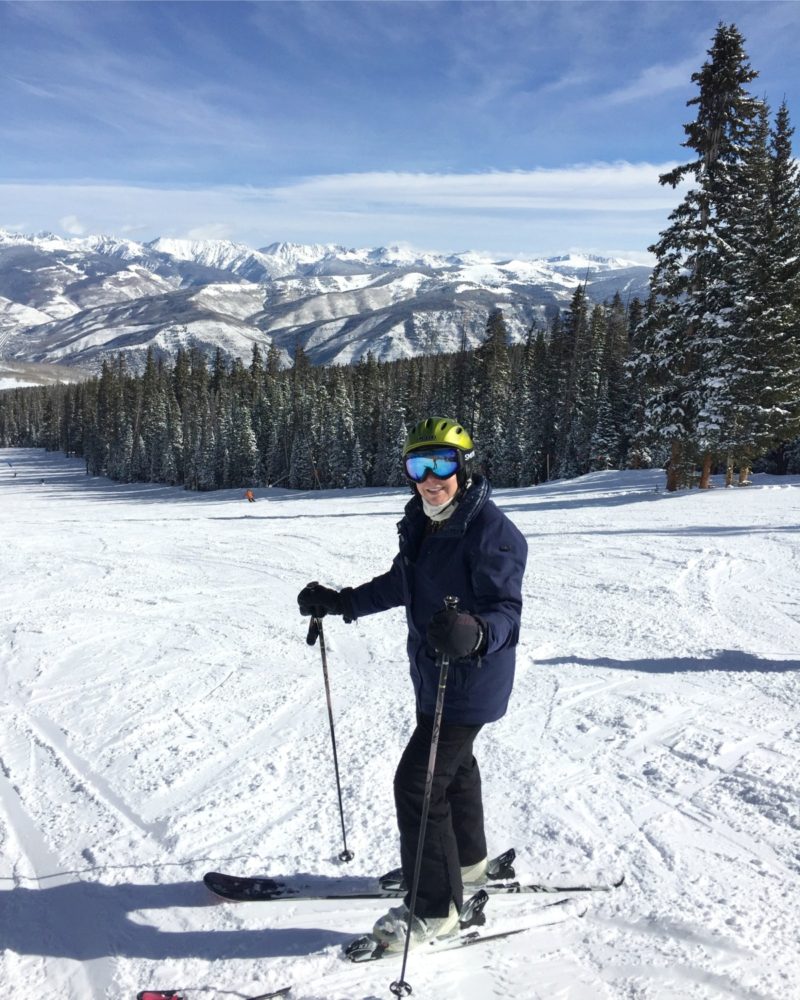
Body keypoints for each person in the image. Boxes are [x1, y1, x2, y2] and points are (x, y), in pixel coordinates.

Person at [297, 416, 527, 951]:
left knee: (418, 784)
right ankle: (465, 867)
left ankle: (436, 909)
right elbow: (406, 580)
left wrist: (476, 634)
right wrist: (343, 601)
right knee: (452, 772)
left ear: (464, 467)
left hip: (469, 680)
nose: (431, 476)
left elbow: (506, 614)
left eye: (442, 463)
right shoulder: (426, 522)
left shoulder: (491, 531)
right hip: (434, 676)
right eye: (418, 465)